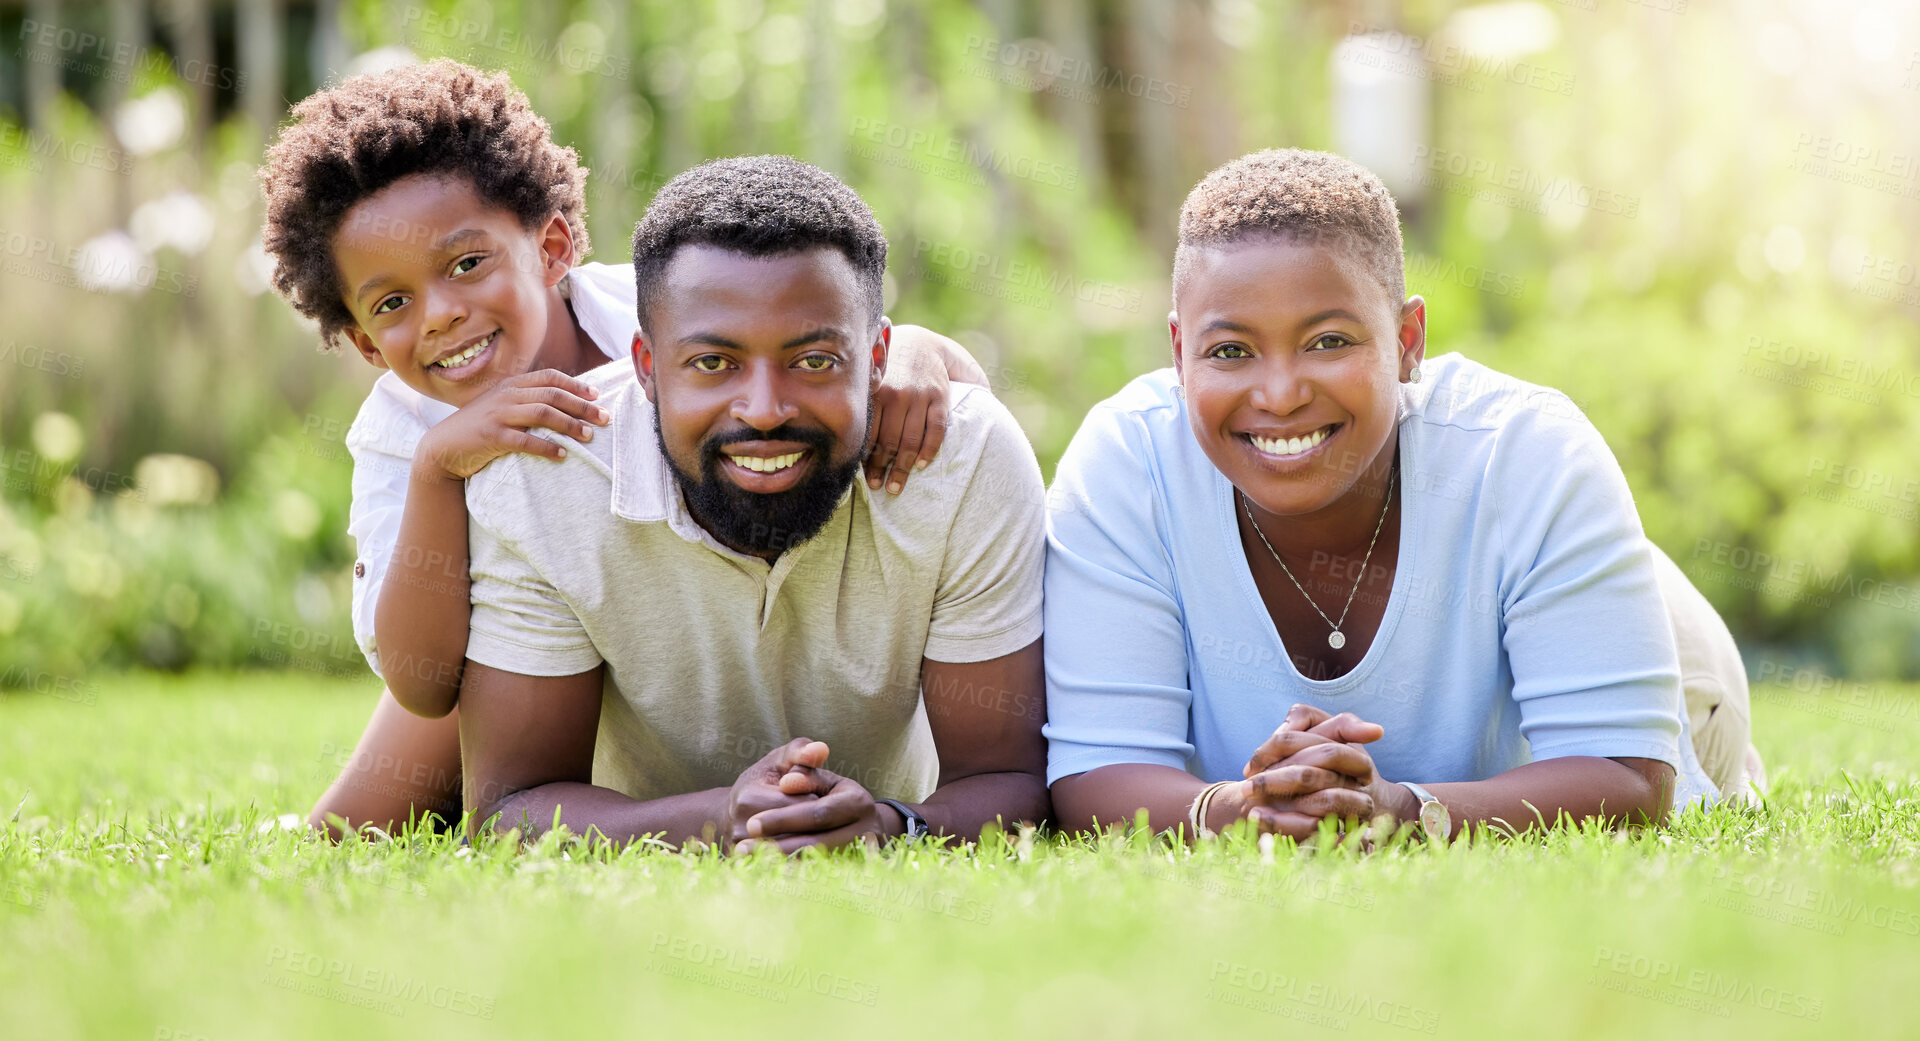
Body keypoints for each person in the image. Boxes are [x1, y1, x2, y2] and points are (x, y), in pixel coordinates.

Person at [257, 60, 986, 838]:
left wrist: (916, 351)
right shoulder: (403, 432)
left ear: (553, 248)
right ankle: (341, 824)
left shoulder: (643, 311)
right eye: (394, 302)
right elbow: (424, 685)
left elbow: (930, 385)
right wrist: (441, 470)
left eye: (468, 264)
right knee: (390, 788)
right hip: (534, 674)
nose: (440, 315)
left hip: (682, 615)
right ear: (367, 343)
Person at [1043, 148, 1762, 843]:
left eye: (1328, 341)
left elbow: (1630, 780)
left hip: (1667, 659)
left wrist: (1403, 810)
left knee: (1667, 705)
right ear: (1178, 353)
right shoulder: (1125, 463)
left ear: (1407, 339)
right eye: (1230, 351)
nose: (1281, 393)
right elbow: (1094, 773)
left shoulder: (1528, 450)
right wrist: (1244, 808)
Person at [453, 155, 1049, 851]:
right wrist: (723, 817)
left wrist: (891, 825)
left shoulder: (963, 458)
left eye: (815, 361)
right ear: (646, 366)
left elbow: (1014, 780)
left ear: (878, 355)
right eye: (713, 363)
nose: (764, 410)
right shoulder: (546, 474)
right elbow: (509, 811)